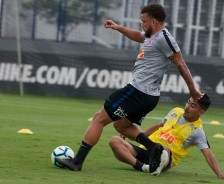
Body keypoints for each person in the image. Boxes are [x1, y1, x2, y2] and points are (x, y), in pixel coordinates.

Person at [55, 3, 203, 173]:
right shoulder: (152, 35)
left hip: (138, 91)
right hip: (147, 96)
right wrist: (117, 27)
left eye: (144, 21)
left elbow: (180, 63)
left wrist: (192, 90)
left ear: (154, 21)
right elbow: (138, 36)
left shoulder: (164, 38)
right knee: (121, 126)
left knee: (99, 118)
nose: (142, 24)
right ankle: (153, 148)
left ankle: (77, 161)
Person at [109, 94, 224, 179]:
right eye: (188, 103)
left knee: (164, 149)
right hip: (147, 149)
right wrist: (133, 137)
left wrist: (220, 175)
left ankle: (156, 164)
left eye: (193, 106)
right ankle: (142, 167)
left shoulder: (197, 131)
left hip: (165, 157)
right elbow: (158, 127)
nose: (187, 107)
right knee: (115, 141)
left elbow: (208, 154)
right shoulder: (175, 111)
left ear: (201, 112)